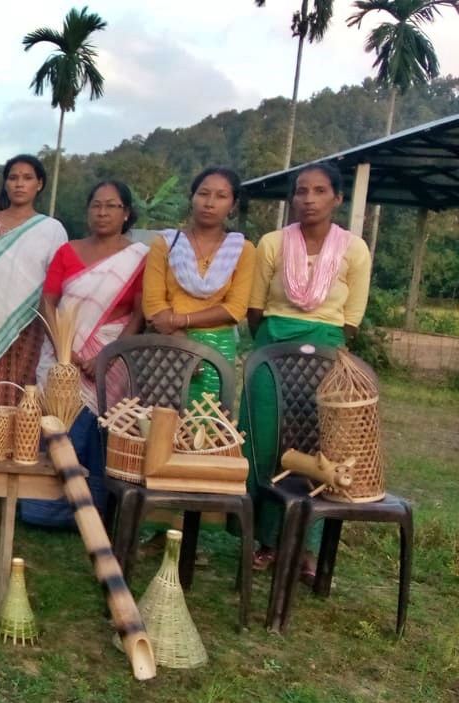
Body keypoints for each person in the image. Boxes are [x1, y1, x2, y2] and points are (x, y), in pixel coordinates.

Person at [242, 162, 371, 582]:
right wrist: (279, 344)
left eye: (319, 191)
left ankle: (305, 549)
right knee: (264, 442)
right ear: (292, 197)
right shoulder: (273, 243)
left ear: (337, 198)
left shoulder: (354, 249)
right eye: (301, 191)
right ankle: (264, 541)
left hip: (326, 355)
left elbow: (351, 319)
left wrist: (318, 346)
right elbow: (255, 308)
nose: (309, 199)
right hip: (273, 349)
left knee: (319, 447)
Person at [26, 180, 147, 528]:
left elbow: (138, 314)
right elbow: (48, 301)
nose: (103, 212)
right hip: (60, 354)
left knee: (96, 432)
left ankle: (91, 510)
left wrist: (106, 354)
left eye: (111, 206)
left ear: (126, 213)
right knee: (55, 425)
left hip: (109, 360)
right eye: (96, 205)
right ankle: (43, 510)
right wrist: (66, 350)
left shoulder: (138, 258)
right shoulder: (68, 251)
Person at [143, 167, 256, 404]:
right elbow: (153, 304)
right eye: (203, 193)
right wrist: (180, 339)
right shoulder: (165, 243)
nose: (210, 203)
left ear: (233, 205)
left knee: (208, 425)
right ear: (192, 197)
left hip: (217, 350)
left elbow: (235, 309)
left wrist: (178, 320)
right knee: (162, 423)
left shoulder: (242, 250)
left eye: (221, 196)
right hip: (168, 344)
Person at [0, 154, 68, 405]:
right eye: (13, 178)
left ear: (40, 184)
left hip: (27, 327)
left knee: (19, 395)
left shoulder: (52, 229)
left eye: (27, 178)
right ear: (5, 184)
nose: (19, 184)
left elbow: (55, 284)